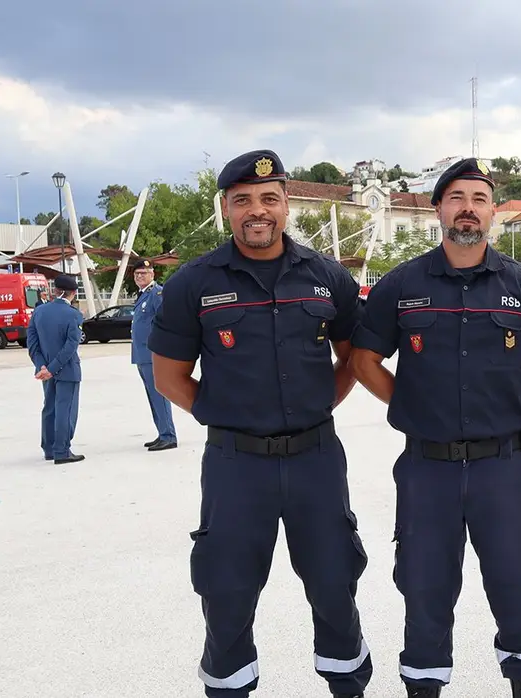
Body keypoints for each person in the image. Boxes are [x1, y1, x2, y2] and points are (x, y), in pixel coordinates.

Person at [148, 149, 372, 698]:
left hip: (316, 461)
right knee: (226, 590)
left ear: (286, 206)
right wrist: (225, 419)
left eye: (269, 199)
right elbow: (169, 377)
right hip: (235, 467)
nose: (258, 210)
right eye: (243, 200)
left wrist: (320, 406)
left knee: (334, 583)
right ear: (226, 209)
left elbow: (353, 360)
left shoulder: (328, 278)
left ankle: (347, 686)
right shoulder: (193, 284)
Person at [349, 157, 521, 698]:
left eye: (478, 198)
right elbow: (363, 360)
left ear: (492, 211)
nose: (468, 209)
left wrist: (513, 401)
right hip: (427, 469)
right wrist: (411, 403)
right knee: (425, 589)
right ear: (438, 208)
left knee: (519, 584)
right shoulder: (401, 285)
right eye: (457, 198)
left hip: (504, 467)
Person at [26, 274, 85, 464]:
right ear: (73, 293)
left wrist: (42, 366)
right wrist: (53, 368)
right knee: (65, 409)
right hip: (66, 369)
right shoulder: (74, 315)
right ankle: (62, 451)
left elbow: (33, 344)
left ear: (55, 291)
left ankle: (49, 449)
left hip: (45, 371)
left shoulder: (39, 312)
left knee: (49, 407)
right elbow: (70, 346)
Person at [129, 259, 177, 450]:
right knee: (152, 395)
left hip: (153, 354)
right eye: (136, 274)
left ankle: (169, 435)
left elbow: (167, 322)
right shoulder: (143, 295)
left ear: (152, 274)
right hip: (143, 354)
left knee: (160, 395)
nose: (139, 276)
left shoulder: (157, 294)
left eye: (143, 273)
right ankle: (162, 432)